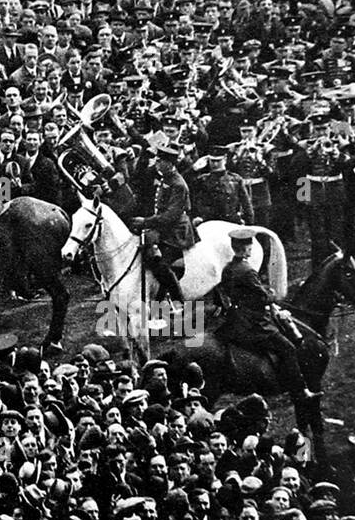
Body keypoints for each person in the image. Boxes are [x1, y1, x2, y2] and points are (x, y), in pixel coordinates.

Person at [216, 229, 317, 401]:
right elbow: (263, 297)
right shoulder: (248, 271)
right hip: (253, 323)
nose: (251, 249)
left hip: (234, 318)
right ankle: (300, 391)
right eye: (250, 246)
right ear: (245, 248)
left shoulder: (228, 268)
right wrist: (270, 293)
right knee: (288, 348)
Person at [128, 145, 195, 304]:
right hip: (165, 227)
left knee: (160, 264)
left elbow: (170, 216)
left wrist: (145, 222)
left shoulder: (178, 184)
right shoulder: (166, 178)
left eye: (160, 160)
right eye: (157, 159)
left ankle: (178, 299)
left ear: (169, 163)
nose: (156, 163)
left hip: (176, 231)